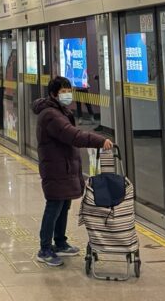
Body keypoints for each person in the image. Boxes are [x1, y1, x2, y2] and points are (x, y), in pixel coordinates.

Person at [32, 76, 113, 267]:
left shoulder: (59, 110)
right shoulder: (51, 115)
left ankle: (60, 242)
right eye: (63, 91)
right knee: (54, 207)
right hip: (55, 167)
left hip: (64, 165)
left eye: (69, 90)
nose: (68, 94)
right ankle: (45, 248)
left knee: (63, 205)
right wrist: (99, 140)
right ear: (53, 94)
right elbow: (72, 135)